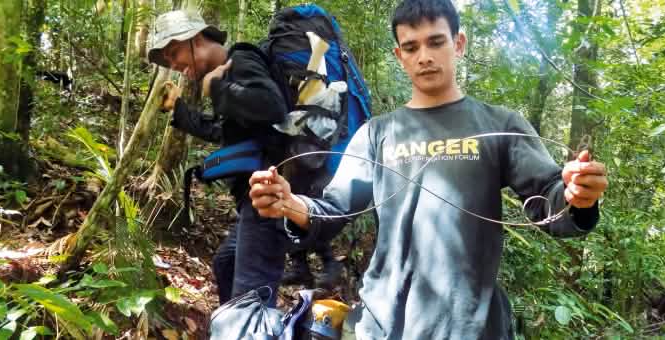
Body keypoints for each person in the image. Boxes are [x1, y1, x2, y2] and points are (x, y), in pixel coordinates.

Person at [248, 0, 609, 338]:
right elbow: (336, 208)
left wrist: (578, 197)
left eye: (436, 42)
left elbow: (548, 199)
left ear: (459, 43)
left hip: (471, 323)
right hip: (384, 321)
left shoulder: (499, 124)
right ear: (399, 56)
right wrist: (290, 204)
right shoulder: (377, 133)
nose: (424, 57)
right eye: (411, 47)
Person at [146, 10, 340, 305]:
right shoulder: (229, 72)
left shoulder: (241, 59)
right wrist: (180, 111)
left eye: (174, 54)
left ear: (196, 39)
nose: (175, 66)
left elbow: (271, 106)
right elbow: (227, 132)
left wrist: (216, 88)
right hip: (257, 200)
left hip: (270, 196)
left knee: (251, 302)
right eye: (169, 61)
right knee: (225, 265)